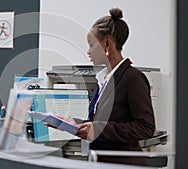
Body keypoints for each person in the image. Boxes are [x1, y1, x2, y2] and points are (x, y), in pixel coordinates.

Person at [48, 8, 155, 166]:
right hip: (102, 162)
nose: (88, 52)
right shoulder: (105, 80)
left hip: (124, 164)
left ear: (107, 44)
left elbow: (146, 127)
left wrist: (99, 129)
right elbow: (99, 123)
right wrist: (74, 123)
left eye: (91, 45)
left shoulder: (132, 77)